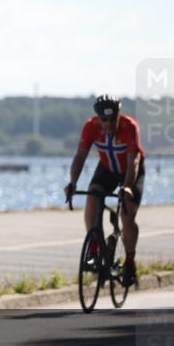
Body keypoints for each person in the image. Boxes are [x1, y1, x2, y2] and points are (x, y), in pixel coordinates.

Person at [65, 94, 145, 287]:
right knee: (93, 194)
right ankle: (93, 248)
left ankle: (130, 261)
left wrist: (126, 187)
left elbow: (133, 161)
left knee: (127, 216)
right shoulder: (91, 127)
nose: (108, 124)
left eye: (112, 119)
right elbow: (80, 156)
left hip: (130, 171)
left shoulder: (130, 127)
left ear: (119, 115)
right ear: (98, 118)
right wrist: (72, 183)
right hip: (108, 168)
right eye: (104, 120)